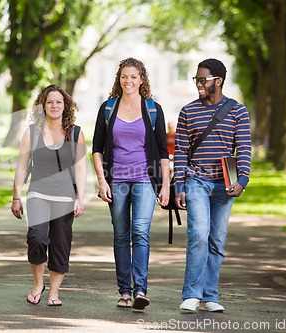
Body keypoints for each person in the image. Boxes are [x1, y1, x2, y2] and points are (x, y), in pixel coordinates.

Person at [173, 58, 251, 313]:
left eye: (202, 79)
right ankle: (192, 294)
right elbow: (182, 151)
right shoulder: (188, 111)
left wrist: (242, 180)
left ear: (218, 81)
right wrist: (179, 186)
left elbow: (244, 149)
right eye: (196, 79)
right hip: (196, 180)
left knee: (217, 238)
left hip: (224, 184)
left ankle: (210, 295)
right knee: (198, 233)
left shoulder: (237, 111)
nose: (198, 84)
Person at [92, 57, 170, 311]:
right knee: (121, 235)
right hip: (117, 181)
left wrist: (166, 185)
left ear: (142, 80)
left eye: (134, 77)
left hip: (145, 180)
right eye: (124, 76)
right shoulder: (108, 108)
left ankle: (140, 289)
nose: (129, 81)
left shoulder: (153, 109)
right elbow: (97, 149)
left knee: (140, 232)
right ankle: (124, 291)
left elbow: (162, 151)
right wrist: (102, 181)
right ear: (119, 79)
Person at [11, 84, 86, 307]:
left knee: (61, 245)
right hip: (38, 194)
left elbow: (81, 168)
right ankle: (37, 284)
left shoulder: (75, 132)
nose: (54, 106)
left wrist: (80, 197)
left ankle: (54, 292)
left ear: (66, 106)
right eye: (50, 102)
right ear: (43, 105)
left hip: (64, 198)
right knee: (37, 238)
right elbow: (22, 167)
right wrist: (16, 196)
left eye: (59, 102)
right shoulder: (31, 133)